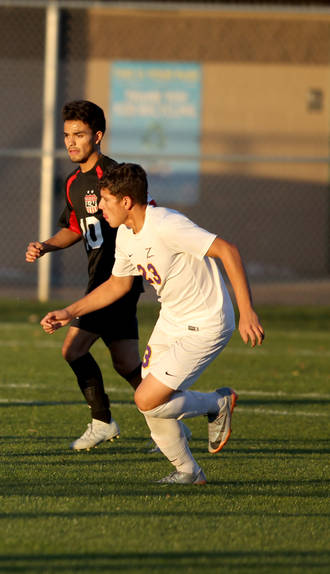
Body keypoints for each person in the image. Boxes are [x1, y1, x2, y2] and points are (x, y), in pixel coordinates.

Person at [40, 163, 264, 485]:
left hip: (207, 320)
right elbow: (118, 286)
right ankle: (188, 471)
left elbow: (227, 251)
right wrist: (68, 312)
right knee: (150, 401)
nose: (99, 206)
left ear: (127, 202)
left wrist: (248, 312)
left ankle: (218, 403)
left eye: (104, 200)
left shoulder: (167, 224)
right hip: (172, 318)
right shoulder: (126, 235)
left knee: (146, 398)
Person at [25, 100, 146, 451]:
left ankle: (102, 421)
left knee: (73, 348)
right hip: (99, 280)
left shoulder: (117, 176)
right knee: (126, 364)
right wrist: (46, 245)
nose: (71, 142)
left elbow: (141, 218)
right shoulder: (74, 183)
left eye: (79, 134)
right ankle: (175, 420)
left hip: (117, 282)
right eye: (66, 135)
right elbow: (76, 227)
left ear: (98, 135)